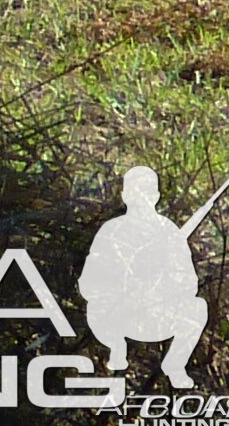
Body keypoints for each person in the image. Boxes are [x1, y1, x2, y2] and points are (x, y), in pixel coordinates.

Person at [79, 166, 208, 388]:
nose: (141, 199)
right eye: (135, 192)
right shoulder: (111, 231)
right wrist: (124, 282)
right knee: (96, 307)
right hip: (118, 314)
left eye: (147, 193)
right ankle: (116, 350)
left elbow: (189, 284)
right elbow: (89, 283)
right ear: (125, 196)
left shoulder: (169, 231)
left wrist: (162, 280)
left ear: (156, 197)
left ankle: (175, 365)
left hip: (156, 314)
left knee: (197, 307)